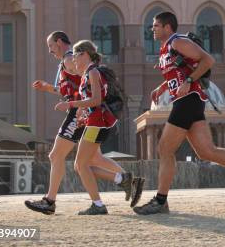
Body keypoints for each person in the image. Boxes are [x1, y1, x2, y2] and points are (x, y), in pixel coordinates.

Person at [133, 11, 225, 215]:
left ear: (167, 27)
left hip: (187, 101)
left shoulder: (177, 41)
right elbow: (179, 73)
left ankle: (160, 201)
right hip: (189, 101)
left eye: (156, 26)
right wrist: (163, 87)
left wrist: (188, 82)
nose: (152, 29)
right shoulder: (166, 48)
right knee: (207, 152)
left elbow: (207, 60)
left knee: (164, 149)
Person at [25, 32, 141, 215]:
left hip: (80, 113)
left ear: (60, 42)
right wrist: (49, 88)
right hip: (85, 112)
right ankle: (126, 180)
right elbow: (73, 89)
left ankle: (50, 200)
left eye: (51, 47)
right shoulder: (71, 61)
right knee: (94, 159)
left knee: (57, 156)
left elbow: (83, 91)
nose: (50, 51)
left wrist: (74, 106)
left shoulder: (69, 60)